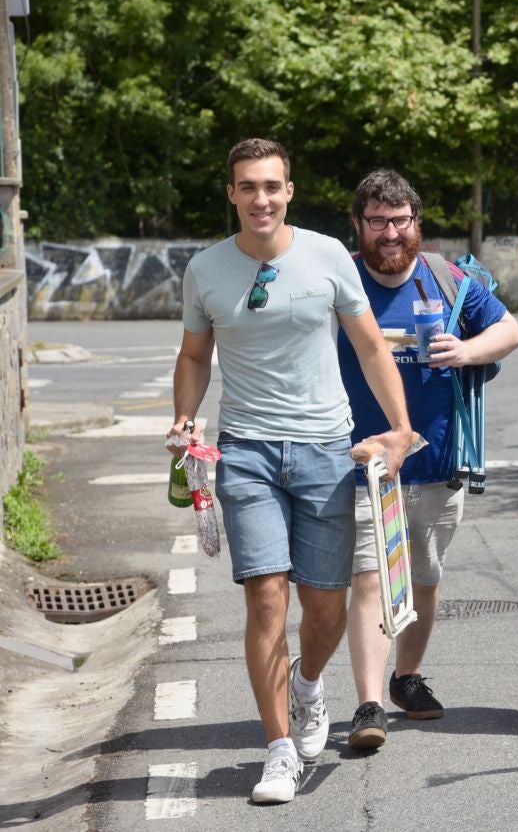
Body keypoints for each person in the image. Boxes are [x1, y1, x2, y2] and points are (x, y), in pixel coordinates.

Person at [166, 139, 416, 804]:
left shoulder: (329, 256)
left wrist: (399, 427)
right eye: (248, 187)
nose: (260, 199)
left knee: (326, 608)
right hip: (246, 451)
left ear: (290, 190)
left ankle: (308, 684)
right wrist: (188, 420)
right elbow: (194, 357)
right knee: (266, 596)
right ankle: (278, 750)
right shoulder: (207, 270)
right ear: (231, 193)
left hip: (325, 452)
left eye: (271, 186)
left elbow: (368, 346)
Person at [337, 169, 518, 751]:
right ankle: (368, 703)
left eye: (400, 221)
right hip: (364, 465)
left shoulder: (448, 280)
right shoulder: (339, 282)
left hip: (440, 460)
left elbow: (510, 331)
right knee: (370, 576)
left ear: (416, 221)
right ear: (358, 224)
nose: (390, 233)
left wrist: (466, 349)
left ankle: (406, 679)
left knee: (423, 575)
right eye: (378, 222)